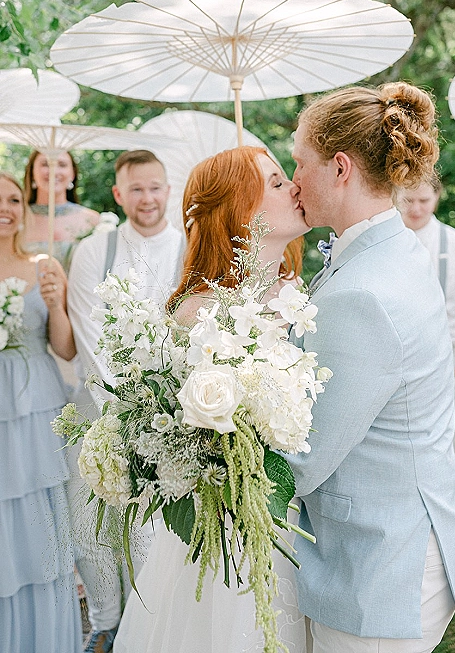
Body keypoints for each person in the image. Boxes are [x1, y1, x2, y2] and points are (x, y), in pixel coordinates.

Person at [288, 82, 455, 653]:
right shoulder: (392, 248)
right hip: (400, 537)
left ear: (339, 167)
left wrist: (196, 452)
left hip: (381, 567)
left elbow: (305, 454)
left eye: (299, 163)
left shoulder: (365, 293)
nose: (292, 180)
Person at [113, 145, 308, 653]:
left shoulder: (300, 291)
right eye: (275, 181)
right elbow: (170, 426)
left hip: (294, 510)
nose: (294, 187)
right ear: (242, 209)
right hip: (222, 517)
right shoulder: (196, 312)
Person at [67, 150, 184, 653]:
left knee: (147, 530)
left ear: (167, 189)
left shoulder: (188, 247)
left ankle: (146, 628)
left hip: (168, 416)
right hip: (99, 410)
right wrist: (123, 405)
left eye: (155, 187)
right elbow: (89, 331)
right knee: (89, 526)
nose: (148, 198)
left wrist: (159, 407)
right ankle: (105, 622)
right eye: (136, 189)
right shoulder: (97, 250)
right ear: (119, 194)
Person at [0, 172, 82, 652]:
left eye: (13, 198)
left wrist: (56, 306)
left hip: (36, 410)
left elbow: (67, 350)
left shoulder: (45, 265)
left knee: (38, 523)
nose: (6, 206)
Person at [398, 175, 455, 456]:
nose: (416, 209)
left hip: (447, 363)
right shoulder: (385, 241)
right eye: (408, 201)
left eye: (424, 201)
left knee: (445, 445)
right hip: (396, 360)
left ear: (437, 197)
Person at [23, 149, 101, 271]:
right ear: (32, 172)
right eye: (45, 164)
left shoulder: (92, 220)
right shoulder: (18, 219)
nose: (53, 171)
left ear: (73, 174)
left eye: (62, 165)